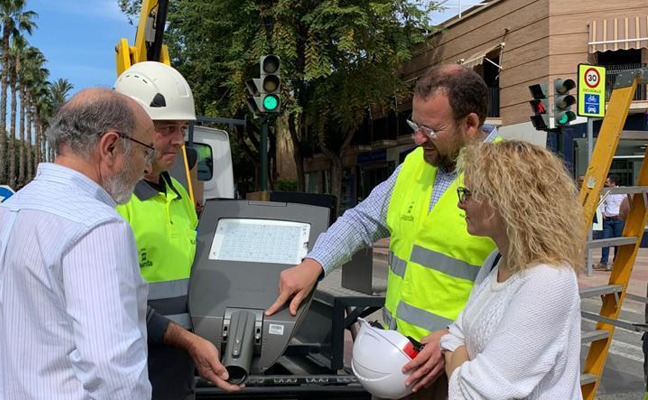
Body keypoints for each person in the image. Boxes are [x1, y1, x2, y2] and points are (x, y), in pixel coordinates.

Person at [266, 64, 498, 400]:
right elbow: (362, 220)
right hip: (397, 358)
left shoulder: (507, 177)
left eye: (430, 130)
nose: (419, 139)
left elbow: (521, 286)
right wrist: (313, 264)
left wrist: (454, 335)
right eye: (415, 125)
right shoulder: (414, 165)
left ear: (471, 124)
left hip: (458, 367)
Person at [0, 89, 156, 399]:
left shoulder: (9, 210)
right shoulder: (99, 225)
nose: (147, 168)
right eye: (146, 152)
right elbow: (112, 367)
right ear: (110, 146)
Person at [114, 61, 241, 399]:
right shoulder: (113, 203)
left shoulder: (180, 194)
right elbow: (116, 302)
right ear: (131, 128)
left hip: (181, 362)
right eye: (167, 128)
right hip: (133, 365)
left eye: (183, 128)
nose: (179, 140)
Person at [441, 140, 583, 400]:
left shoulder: (549, 279)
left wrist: (460, 365)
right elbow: (453, 337)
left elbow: (474, 393)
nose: (461, 204)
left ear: (506, 201)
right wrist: (464, 366)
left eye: (469, 193)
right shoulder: (496, 260)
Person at [597, 176, 627, 270]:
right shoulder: (606, 191)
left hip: (618, 219)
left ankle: (616, 262)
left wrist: (623, 213)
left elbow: (628, 202)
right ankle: (603, 262)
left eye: (607, 182)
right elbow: (601, 201)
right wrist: (602, 212)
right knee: (605, 241)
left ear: (613, 183)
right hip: (608, 219)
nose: (605, 183)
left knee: (618, 242)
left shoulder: (622, 191)